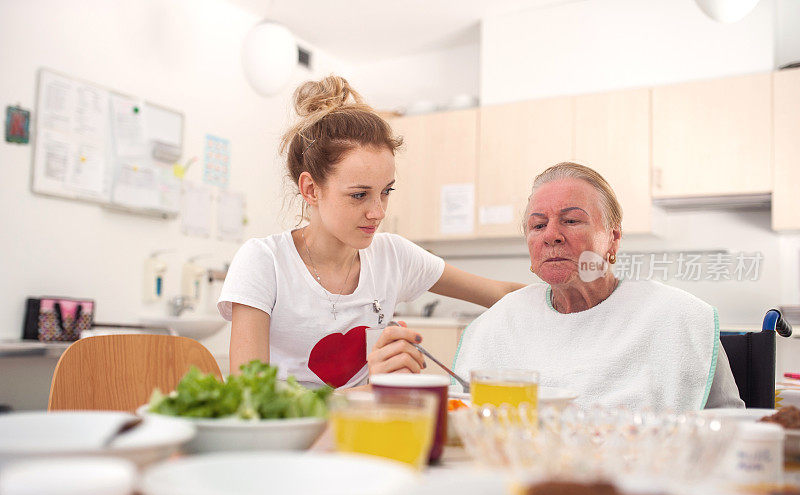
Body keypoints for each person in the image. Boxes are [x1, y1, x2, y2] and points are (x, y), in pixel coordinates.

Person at [218, 75, 524, 388]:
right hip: (291, 436)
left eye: (386, 191)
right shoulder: (264, 261)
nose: (378, 212)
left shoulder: (394, 256)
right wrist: (372, 388)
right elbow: (250, 399)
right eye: (359, 195)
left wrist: (570, 294)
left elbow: (502, 295)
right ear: (311, 189)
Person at [453, 162, 743, 411]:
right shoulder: (498, 323)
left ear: (613, 239)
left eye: (571, 220)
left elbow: (731, 424)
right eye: (538, 225)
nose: (551, 235)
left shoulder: (677, 317)